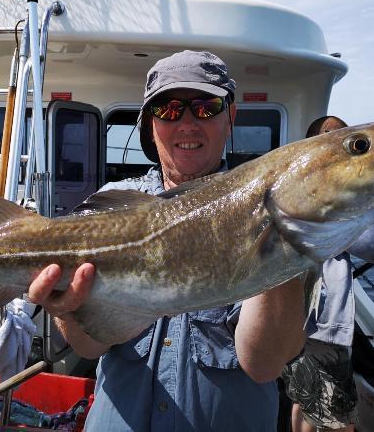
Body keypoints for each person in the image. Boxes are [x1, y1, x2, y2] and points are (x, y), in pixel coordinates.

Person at [27, 50, 307, 431]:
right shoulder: (109, 207)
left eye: (205, 107)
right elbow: (89, 347)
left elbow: (264, 365)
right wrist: (63, 309)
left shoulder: (261, 207)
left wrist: (281, 248)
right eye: (170, 109)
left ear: (231, 116)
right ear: (150, 122)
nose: (187, 123)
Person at [282, 116, 374, 432]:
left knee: (304, 399)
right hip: (321, 326)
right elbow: (370, 239)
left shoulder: (297, 188)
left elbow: (359, 229)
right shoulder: (328, 194)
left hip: (294, 324)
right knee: (337, 422)